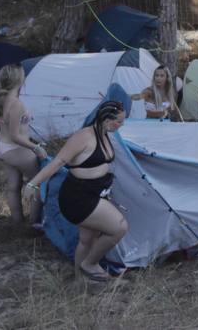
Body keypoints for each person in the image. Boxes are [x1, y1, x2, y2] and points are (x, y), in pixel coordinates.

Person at [24, 100, 129, 283]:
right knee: (119, 227)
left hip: (94, 193)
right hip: (78, 197)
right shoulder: (83, 137)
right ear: (106, 119)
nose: (121, 125)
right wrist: (33, 184)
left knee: (87, 239)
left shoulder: (105, 134)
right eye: (119, 121)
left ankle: (81, 281)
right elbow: (58, 162)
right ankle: (89, 264)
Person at [0, 64, 46, 227]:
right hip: (15, 148)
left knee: (14, 186)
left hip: (2, 146)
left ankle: (17, 223)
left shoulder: (2, 99)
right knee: (37, 182)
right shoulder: (16, 104)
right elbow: (16, 136)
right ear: (19, 79)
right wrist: (35, 147)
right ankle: (33, 223)